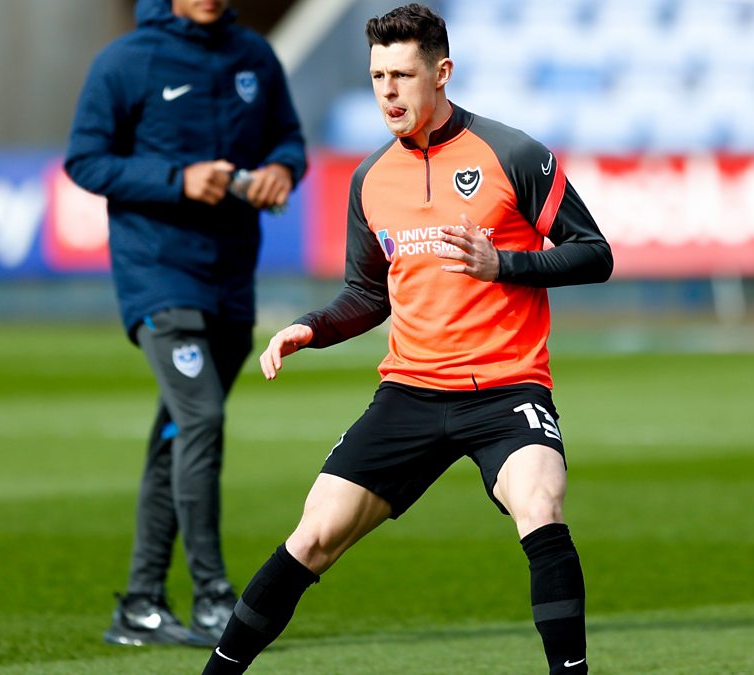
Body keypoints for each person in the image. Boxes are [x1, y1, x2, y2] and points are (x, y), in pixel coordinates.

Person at [200, 4, 612, 672]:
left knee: (540, 505)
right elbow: (368, 294)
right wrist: (312, 327)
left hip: (506, 389)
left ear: (441, 72)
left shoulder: (513, 155)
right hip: (410, 394)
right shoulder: (370, 179)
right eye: (377, 77)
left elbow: (595, 253)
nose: (388, 92)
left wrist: (503, 265)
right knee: (314, 535)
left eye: (402, 75)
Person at [64, 0, 306, 648]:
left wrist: (281, 170)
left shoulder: (253, 55)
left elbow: (288, 139)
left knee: (178, 433)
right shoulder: (125, 61)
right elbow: (85, 159)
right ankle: (212, 596)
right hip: (158, 271)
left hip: (231, 274)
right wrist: (178, 179)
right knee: (200, 418)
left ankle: (141, 603)